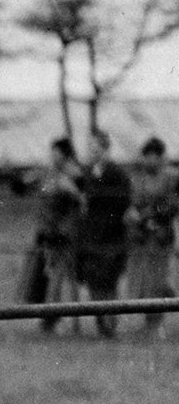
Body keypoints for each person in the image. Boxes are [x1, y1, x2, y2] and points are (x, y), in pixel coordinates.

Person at [75, 128, 133, 337]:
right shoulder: (86, 173)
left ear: (105, 148)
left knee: (109, 281)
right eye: (89, 147)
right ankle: (101, 323)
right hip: (91, 235)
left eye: (95, 147)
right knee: (94, 280)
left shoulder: (117, 174)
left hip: (112, 235)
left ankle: (111, 323)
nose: (91, 151)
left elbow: (123, 203)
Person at [26, 137, 82, 332]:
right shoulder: (49, 173)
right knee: (45, 275)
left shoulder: (73, 174)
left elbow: (79, 203)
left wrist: (71, 190)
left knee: (62, 278)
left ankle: (57, 318)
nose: (53, 157)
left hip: (64, 234)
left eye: (57, 153)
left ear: (65, 155)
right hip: (47, 231)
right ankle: (48, 317)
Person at [126, 136, 178, 333]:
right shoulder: (138, 178)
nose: (149, 161)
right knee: (145, 282)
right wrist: (134, 214)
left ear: (160, 157)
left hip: (161, 235)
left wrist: (151, 214)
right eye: (146, 156)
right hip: (142, 236)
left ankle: (156, 323)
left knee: (158, 281)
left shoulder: (171, 178)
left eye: (153, 157)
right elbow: (133, 201)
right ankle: (150, 321)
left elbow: (172, 205)